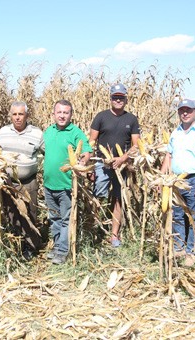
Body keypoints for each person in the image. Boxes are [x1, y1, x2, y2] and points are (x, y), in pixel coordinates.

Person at [161, 99, 195, 267]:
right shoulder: (175, 132)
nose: (185, 113)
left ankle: (191, 252)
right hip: (176, 180)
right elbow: (169, 156)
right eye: (182, 110)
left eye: (188, 110)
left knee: (194, 217)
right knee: (177, 216)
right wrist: (162, 177)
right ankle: (179, 248)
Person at [88, 84, 140, 248]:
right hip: (102, 164)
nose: (118, 100)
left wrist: (122, 159)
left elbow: (136, 145)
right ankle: (94, 230)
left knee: (118, 199)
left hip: (121, 166)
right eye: (115, 97)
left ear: (126, 99)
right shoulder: (101, 117)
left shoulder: (131, 119)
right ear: (110, 99)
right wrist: (90, 165)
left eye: (121, 97)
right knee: (97, 197)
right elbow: (91, 142)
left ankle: (114, 235)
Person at [43, 100, 92, 265]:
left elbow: (86, 151)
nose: (62, 116)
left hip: (66, 185)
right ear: (54, 114)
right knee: (54, 218)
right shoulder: (48, 131)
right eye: (59, 112)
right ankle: (57, 247)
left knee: (65, 219)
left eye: (66, 112)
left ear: (71, 115)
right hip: (49, 184)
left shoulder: (75, 132)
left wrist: (83, 162)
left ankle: (63, 251)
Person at [0, 101, 44, 260]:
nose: (17, 117)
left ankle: (31, 247)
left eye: (21, 114)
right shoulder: (3, 132)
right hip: (7, 181)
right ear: (10, 115)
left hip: (27, 181)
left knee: (29, 213)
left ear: (27, 116)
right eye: (14, 114)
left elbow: (48, 151)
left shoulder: (37, 133)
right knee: (11, 214)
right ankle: (15, 245)